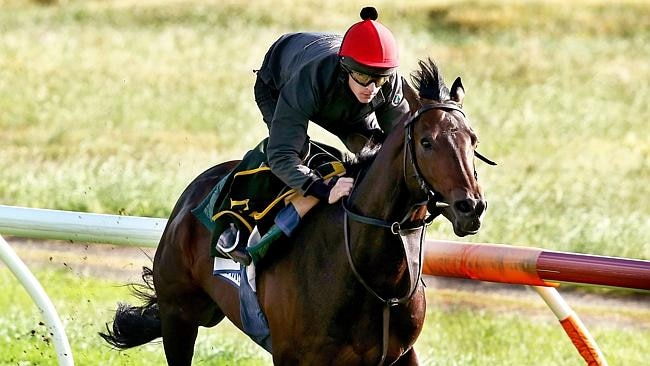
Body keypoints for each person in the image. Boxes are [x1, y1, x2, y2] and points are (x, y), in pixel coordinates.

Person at [218, 7, 411, 264]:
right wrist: (323, 188)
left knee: (375, 151)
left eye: (380, 78)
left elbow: (402, 144)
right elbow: (281, 155)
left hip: (339, 98)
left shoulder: (388, 83)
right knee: (298, 153)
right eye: (363, 77)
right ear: (346, 68)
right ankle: (234, 226)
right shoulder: (312, 77)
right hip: (279, 82)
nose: (372, 88)